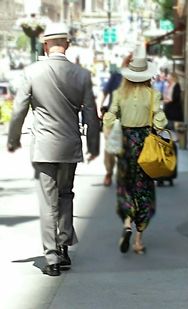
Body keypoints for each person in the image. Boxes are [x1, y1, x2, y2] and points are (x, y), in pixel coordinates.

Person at [7, 23, 100, 276]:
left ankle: (52, 258)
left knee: (48, 201)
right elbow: (91, 114)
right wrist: (93, 145)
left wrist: (13, 139)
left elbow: (18, 110)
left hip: (45, 147)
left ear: (45, 45)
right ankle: (65, 247)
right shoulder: (81, 74)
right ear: (67, 44)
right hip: (70, 145)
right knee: (66, 194)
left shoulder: (32, 72)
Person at [103, 45, 167, 254]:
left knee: (126, 186)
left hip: (125, 144)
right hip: (145, 144)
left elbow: (110, 116)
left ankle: (126, 224)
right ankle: (138, 241)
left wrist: (107, 124)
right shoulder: (152, 95)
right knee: (143, 189)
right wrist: (159, 125)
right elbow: (159, 120)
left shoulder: (119, 93)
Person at [100, 55, 132, 186]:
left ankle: (124, 174)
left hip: (130, 119)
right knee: (109, 148)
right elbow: (105, 92)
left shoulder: (139, 80)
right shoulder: (116, 77)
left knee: (126, 148)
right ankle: (108, 172)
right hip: (112, 118)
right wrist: (99, 106)